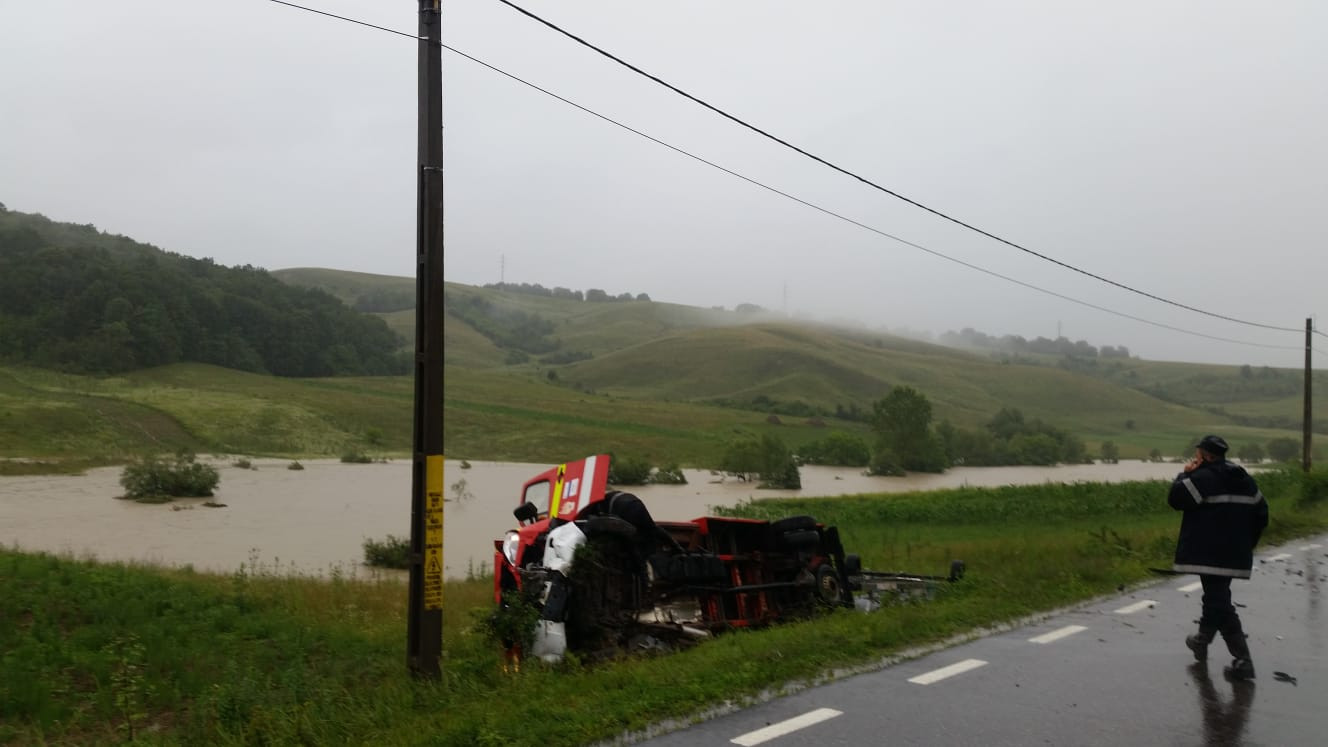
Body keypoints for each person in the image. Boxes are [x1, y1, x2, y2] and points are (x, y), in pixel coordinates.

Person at [1168, 434, 1269, 680]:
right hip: (1234, 554)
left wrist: (1185, 474)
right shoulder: (1242, 477)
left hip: (1208, 555)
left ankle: (1244, 661)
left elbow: (1176, 499)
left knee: (1219, 602)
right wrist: (1246, 544)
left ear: (1205, 455)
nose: (1195, 458)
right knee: (1216, 597)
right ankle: (1201, 641)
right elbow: (1262, 512)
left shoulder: (1202, 477)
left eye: (1198, 454)